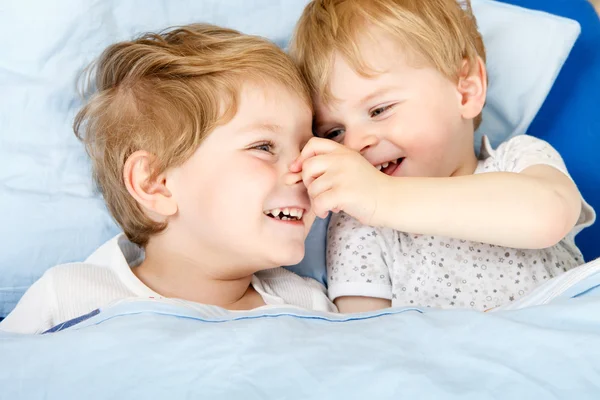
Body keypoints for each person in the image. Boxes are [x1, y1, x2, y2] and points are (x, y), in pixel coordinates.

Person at [1, 23, 336, 334]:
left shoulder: (308, 306)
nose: (305, 167)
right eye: (263, 146)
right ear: (155, 183)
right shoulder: (67, 300)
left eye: (309, 147)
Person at [288, 0, 595, 312]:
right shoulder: (360, 223)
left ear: (466, 91)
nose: (354, 144)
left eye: (379, 110)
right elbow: (366, 339)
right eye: (334, 133)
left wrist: (385, 196)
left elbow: (547, 216)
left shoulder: (519, 159)